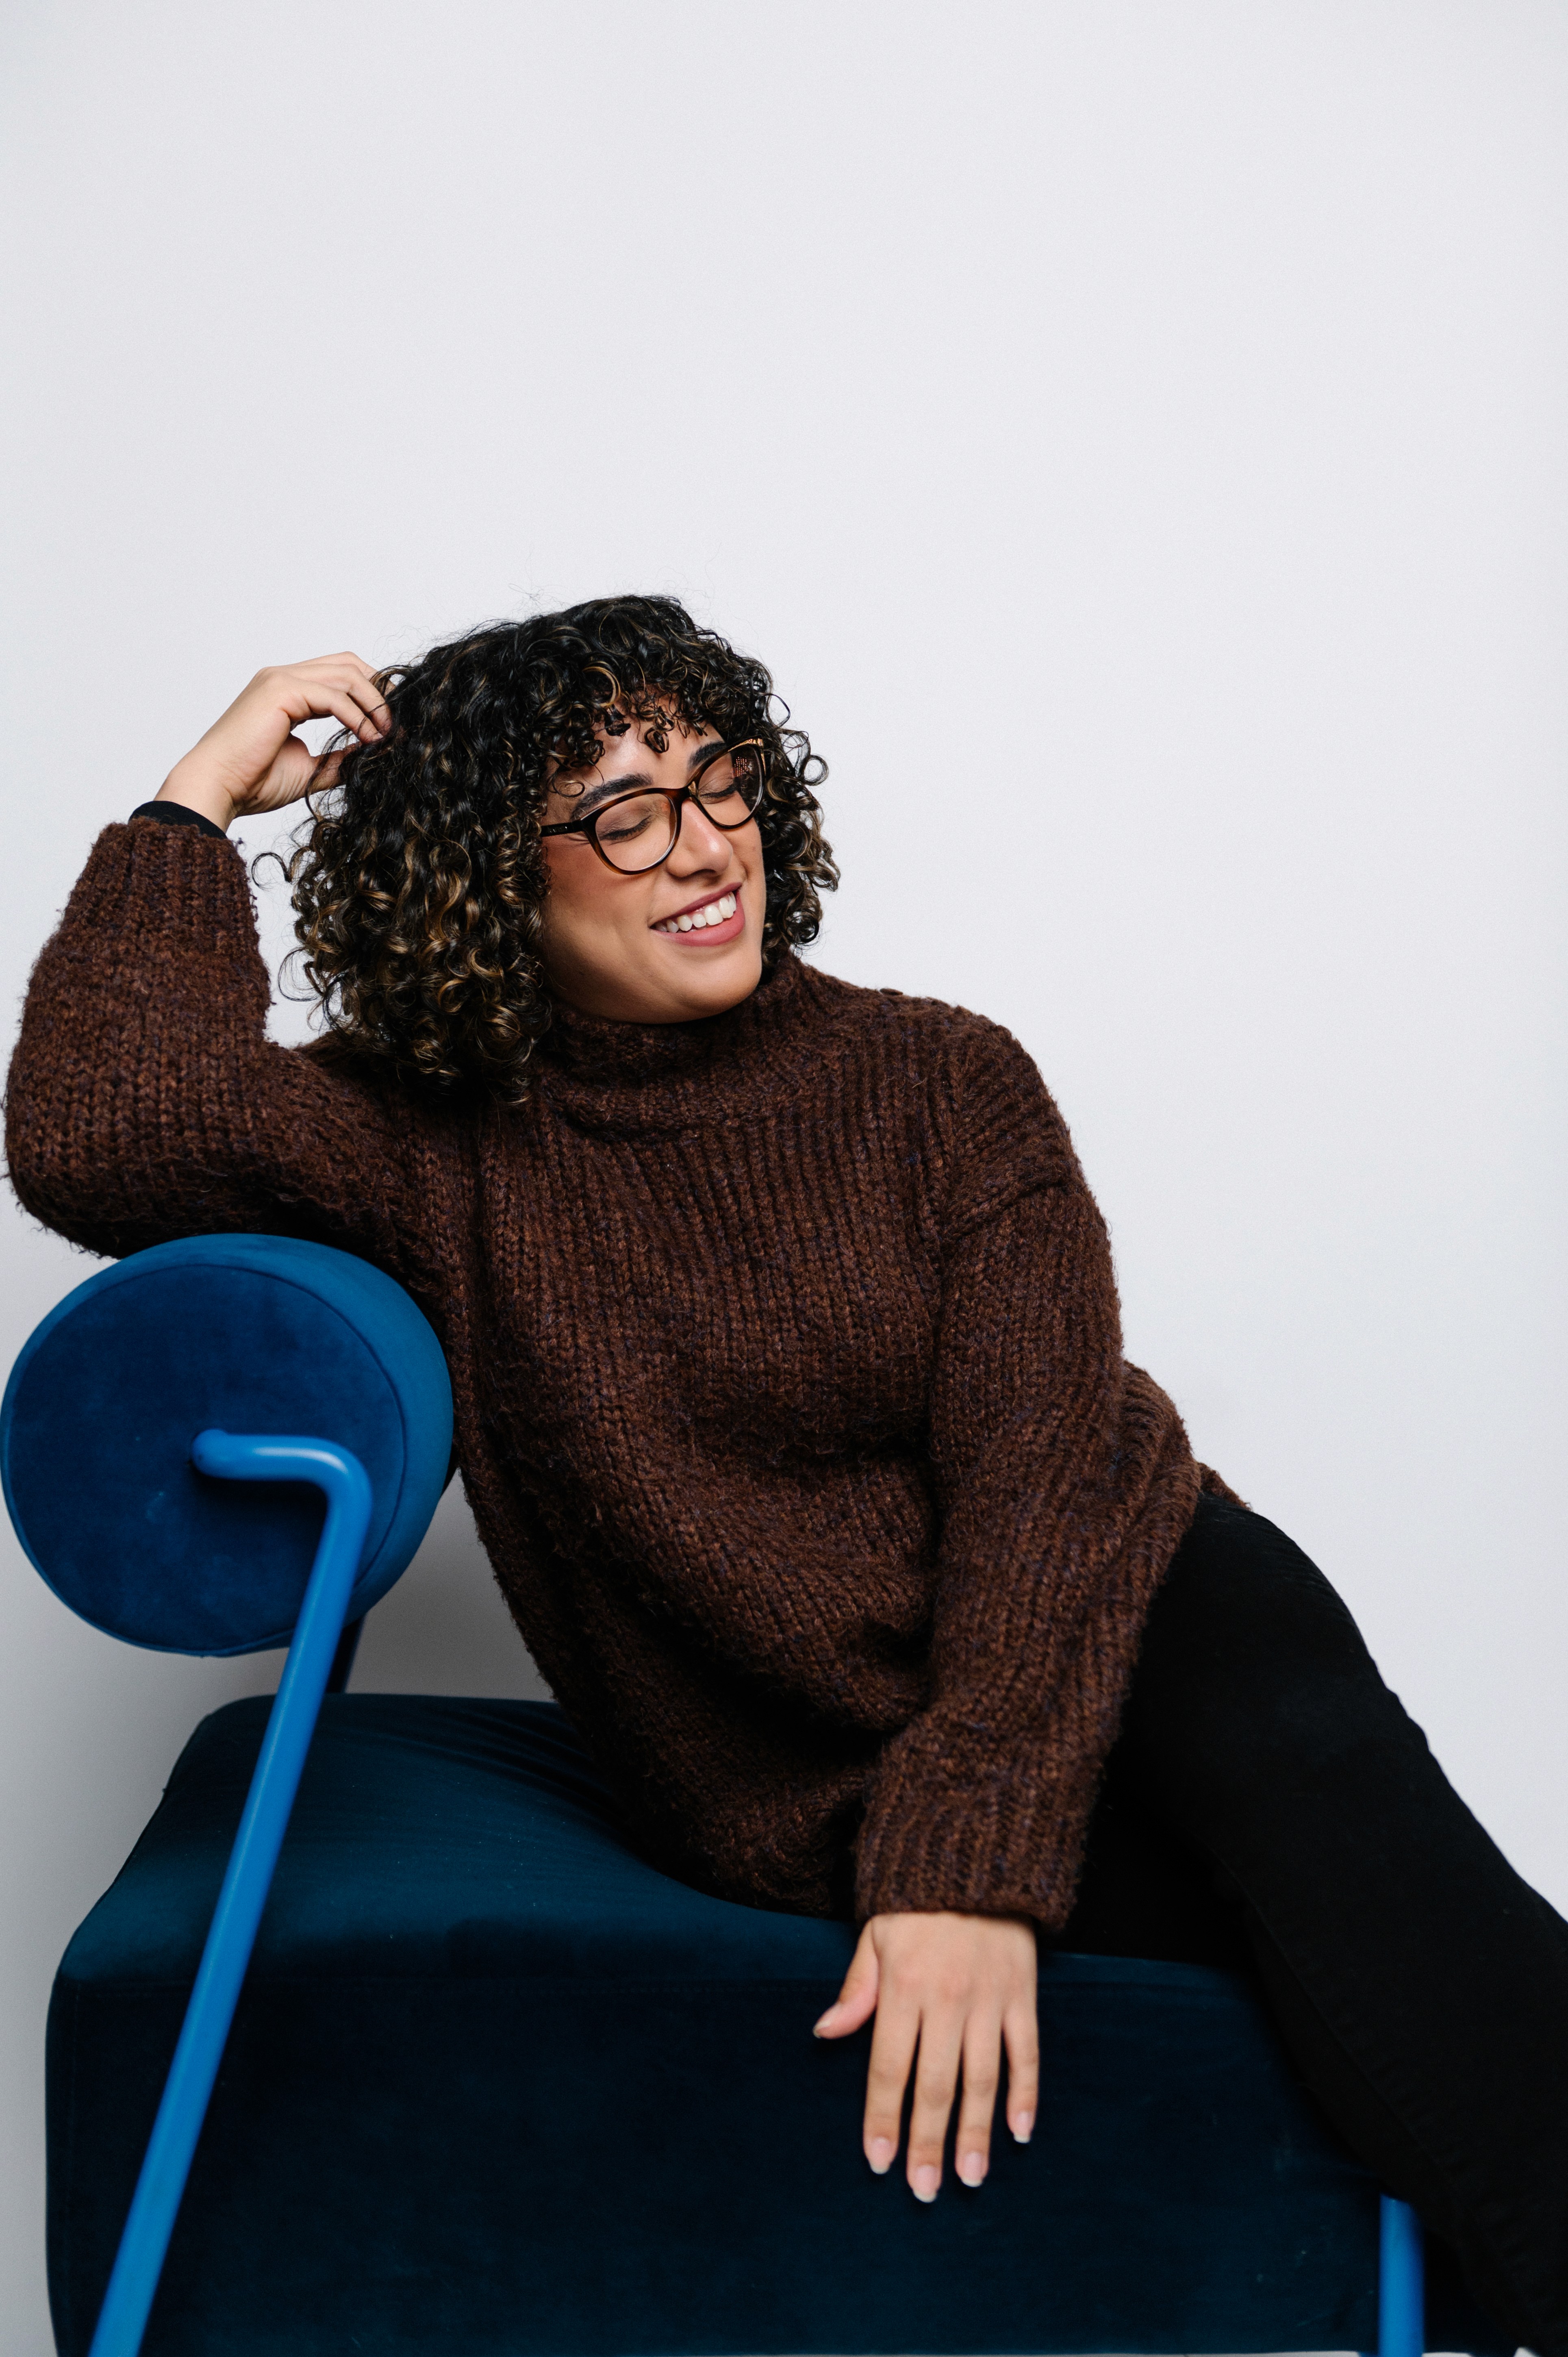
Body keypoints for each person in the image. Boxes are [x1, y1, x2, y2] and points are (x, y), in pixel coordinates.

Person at [7, 595, 1566, 2353]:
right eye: (621, 810)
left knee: (1329, 1816)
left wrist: (964, 1856)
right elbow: (97, 1121)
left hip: (1140, 1617)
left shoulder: (939, 1078)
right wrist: (198, 796)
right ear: (486, 879)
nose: (702, 845)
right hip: (793, 1760)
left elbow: (1045, 1469)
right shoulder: (431, 1134)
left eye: (718, 776)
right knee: (1371, 1950)